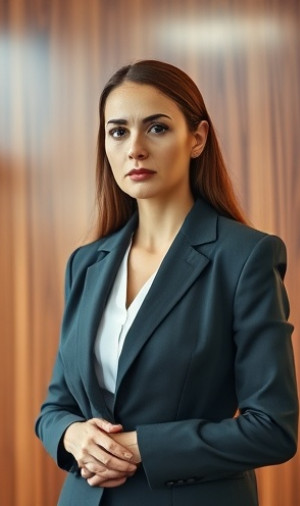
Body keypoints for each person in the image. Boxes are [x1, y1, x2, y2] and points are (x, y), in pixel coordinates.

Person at [35, 59, 298, 505]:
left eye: (156, 128)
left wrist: (142, 447)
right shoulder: (85, 263)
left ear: (197, 139)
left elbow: (272, 428)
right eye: (118, 131)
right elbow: (54, 409)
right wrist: (73, 435)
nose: (134, 148)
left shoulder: (245, 258)